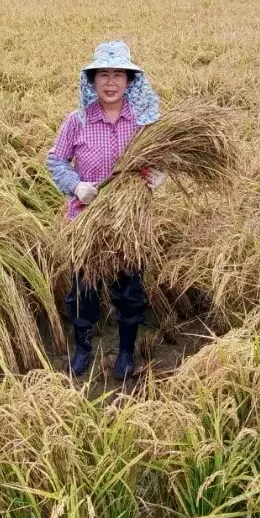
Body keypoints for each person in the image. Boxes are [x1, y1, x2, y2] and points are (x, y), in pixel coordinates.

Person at [46, 41, 166, 380]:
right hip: (86, 218)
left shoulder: (145, 123)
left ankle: (126, 353)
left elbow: (157, 160)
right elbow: (54, 160)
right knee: (83, 290)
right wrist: (76, 185)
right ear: (92, 80)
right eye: (103, 74)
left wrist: (157, 176)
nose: (110, 82)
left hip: (129, 220)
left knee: (130, 288)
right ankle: (83, 350)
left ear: (129, 80)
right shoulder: (77, 121)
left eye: (118, 74)